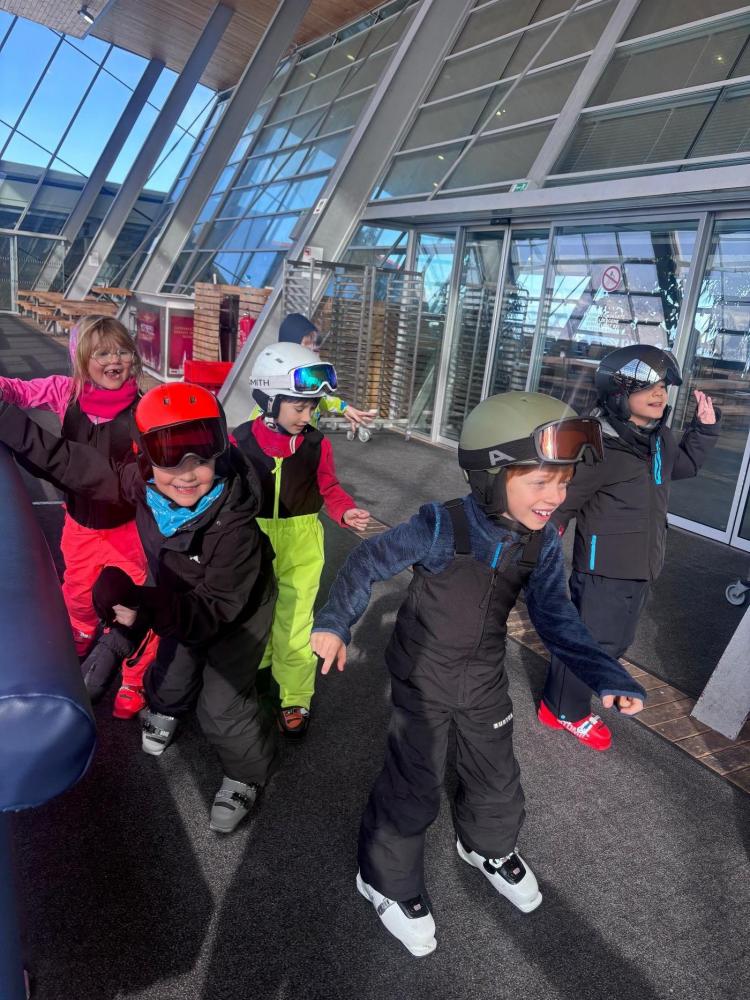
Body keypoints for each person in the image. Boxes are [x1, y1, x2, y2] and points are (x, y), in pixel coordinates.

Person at [310, 392, 647, 957]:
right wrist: (335, 622)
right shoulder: (439, 526)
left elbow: (557, 619)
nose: (555, 496)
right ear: (492, 476)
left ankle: (486, 848)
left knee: (496, 774)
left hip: (484, 677)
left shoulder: (539, 542)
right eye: (540, 482)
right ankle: (383, 879)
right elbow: (368, 561)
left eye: (563, 482)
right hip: (424, 676)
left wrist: (606, 674)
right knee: (415, 783)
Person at [0, 383, 277, 833]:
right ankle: (167, 707)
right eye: (170, 458)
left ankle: (246, 773)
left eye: (201, 458)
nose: (187, 474)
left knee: (222, 703)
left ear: (219, 452)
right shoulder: (143, 483)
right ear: (146, 459)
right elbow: (71, 462)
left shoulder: (234, 526)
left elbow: (213, 612)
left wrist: (142, 606)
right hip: (178, 593)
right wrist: (3, 416)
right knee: (172, 666)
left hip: (238, 608)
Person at [539, 345, 719, 751]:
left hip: (641, 564)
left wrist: (705, 431)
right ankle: (564, 709)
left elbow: (683, 466)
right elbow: (563, 503)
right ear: (620, 394)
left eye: (663, 387)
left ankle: (563, 701)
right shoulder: (599, 447)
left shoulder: (658, 438)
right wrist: (537, 544)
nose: (659, 394)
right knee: (590, 642)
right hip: (603, 569)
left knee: (614, 643)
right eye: (647, 387)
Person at [0, 314, 156, 719]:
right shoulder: (65, 391)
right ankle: (81, 636)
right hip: (80, 526)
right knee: (78, 592)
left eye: (122, 351)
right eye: (101, 353)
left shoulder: (145, 408)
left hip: (127, 530)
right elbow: (17, 391)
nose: (114, 360)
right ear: (81, 360)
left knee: (133, 603)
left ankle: (135, 677)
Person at [234, 342, 370, 739]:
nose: (308, 416)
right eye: (299, 408)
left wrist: (344, 511)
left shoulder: (317, 444)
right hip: (251, 538)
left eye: (312, 407)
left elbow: (329, 487)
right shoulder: (238, 441)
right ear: (269, 399)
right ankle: (258, 674)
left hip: (303, 542)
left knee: (295, 621)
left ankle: (295, 694)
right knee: (252, 613)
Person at [249, 313, 376, 432]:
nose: (315, 357)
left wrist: (344, 408)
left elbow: (323, 400)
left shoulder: (307, 386)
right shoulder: (269, 406)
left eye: (316, 350)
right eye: (307, 350)